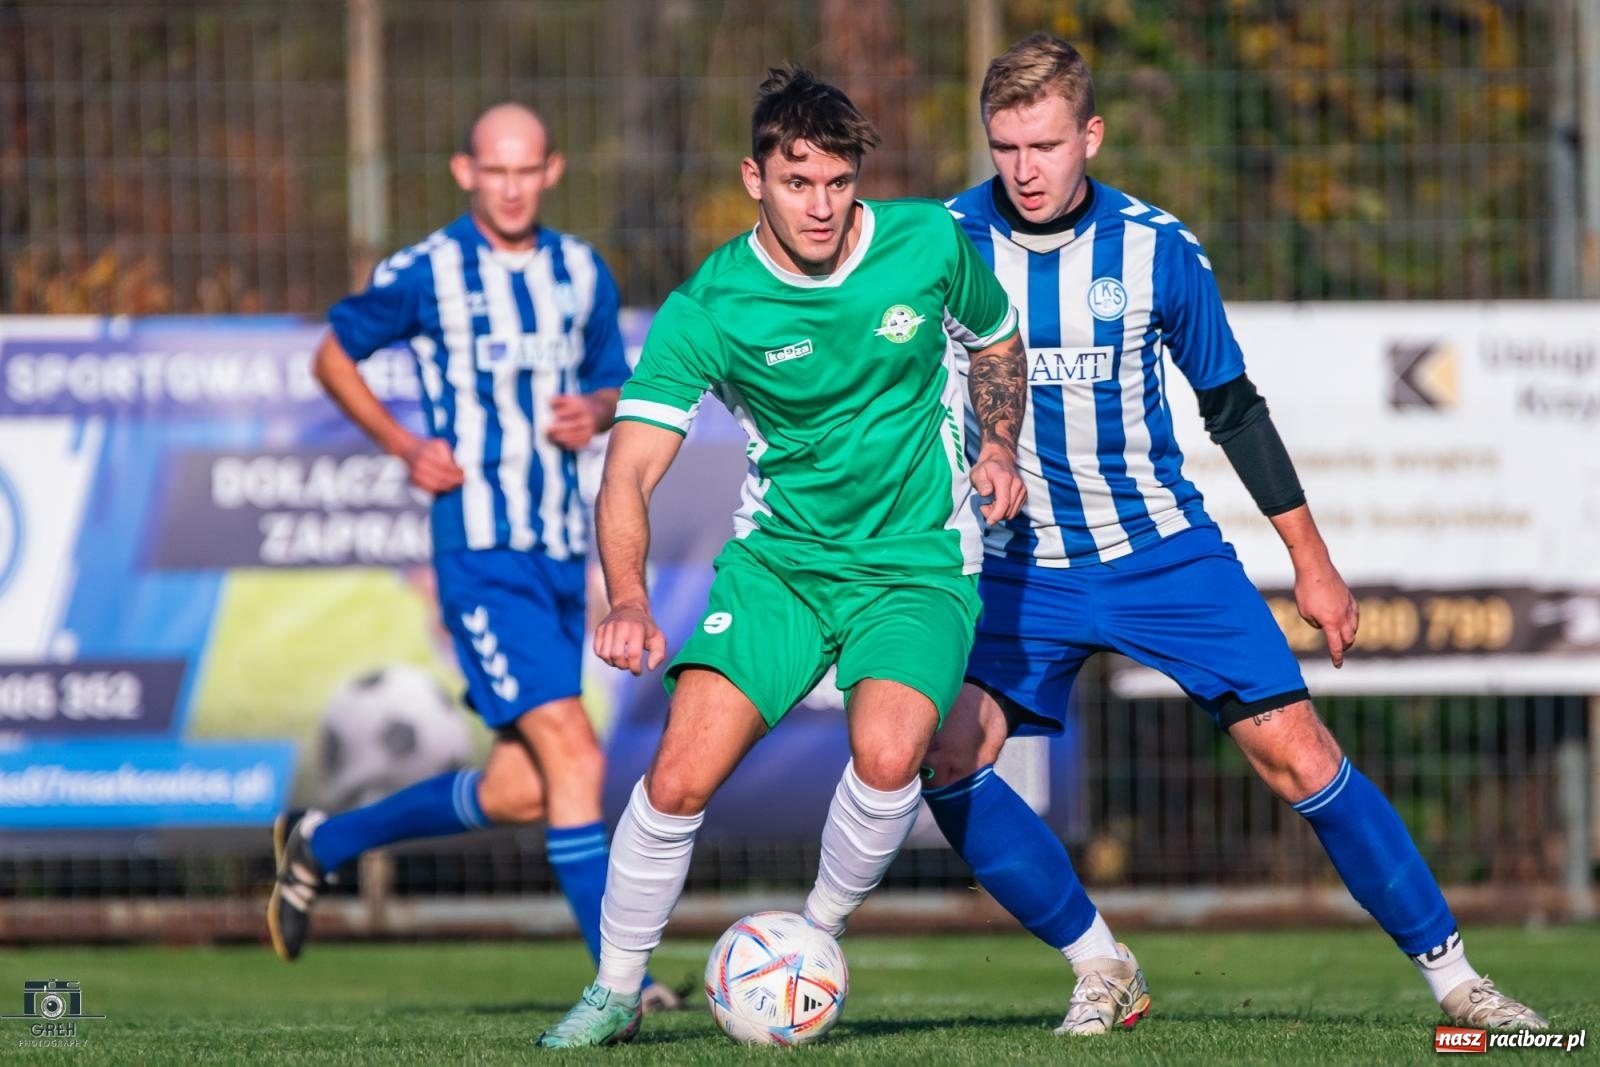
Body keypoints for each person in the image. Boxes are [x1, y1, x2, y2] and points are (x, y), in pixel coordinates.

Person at [919, 34, 1548, 1036]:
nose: (1023, 170)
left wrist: (1313, 562)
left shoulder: (1155, 248)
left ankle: (1457, 981)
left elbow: (1233, 409)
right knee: (944, 752)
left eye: (1042, 144)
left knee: (1297, 754)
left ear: (1090, 134)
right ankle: (1099, 963)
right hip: (1016, 564)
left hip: (1160, 550)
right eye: (1004, 147)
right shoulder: (942, 243)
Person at [533, 66, 1028, 1049]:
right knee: (676, 776)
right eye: (798, 181)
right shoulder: (711, 305)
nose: (821, 204)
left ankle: (812, 942)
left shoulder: (927, 241)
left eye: (839, 182)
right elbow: (628, 471)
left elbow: (996, 339)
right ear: (753, 177)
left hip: (915, 558)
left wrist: (1000, 441)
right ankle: (614, 986)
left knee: (890, 754)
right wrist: (626, 596)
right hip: (782, 568)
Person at [267, 101, 679, 1011]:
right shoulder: (430, 270)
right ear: (466, 172)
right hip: (480, 550)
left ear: (551, 171)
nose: (510, 185)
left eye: (525, 169)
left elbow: (618, 379)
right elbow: (334, 356)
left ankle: (322, 842)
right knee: (573, 753)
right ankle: (628, 981)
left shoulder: (580, 270)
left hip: (560, 549)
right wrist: (402, 445)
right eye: (494, 170)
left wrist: (600, 408)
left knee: (524, 787)